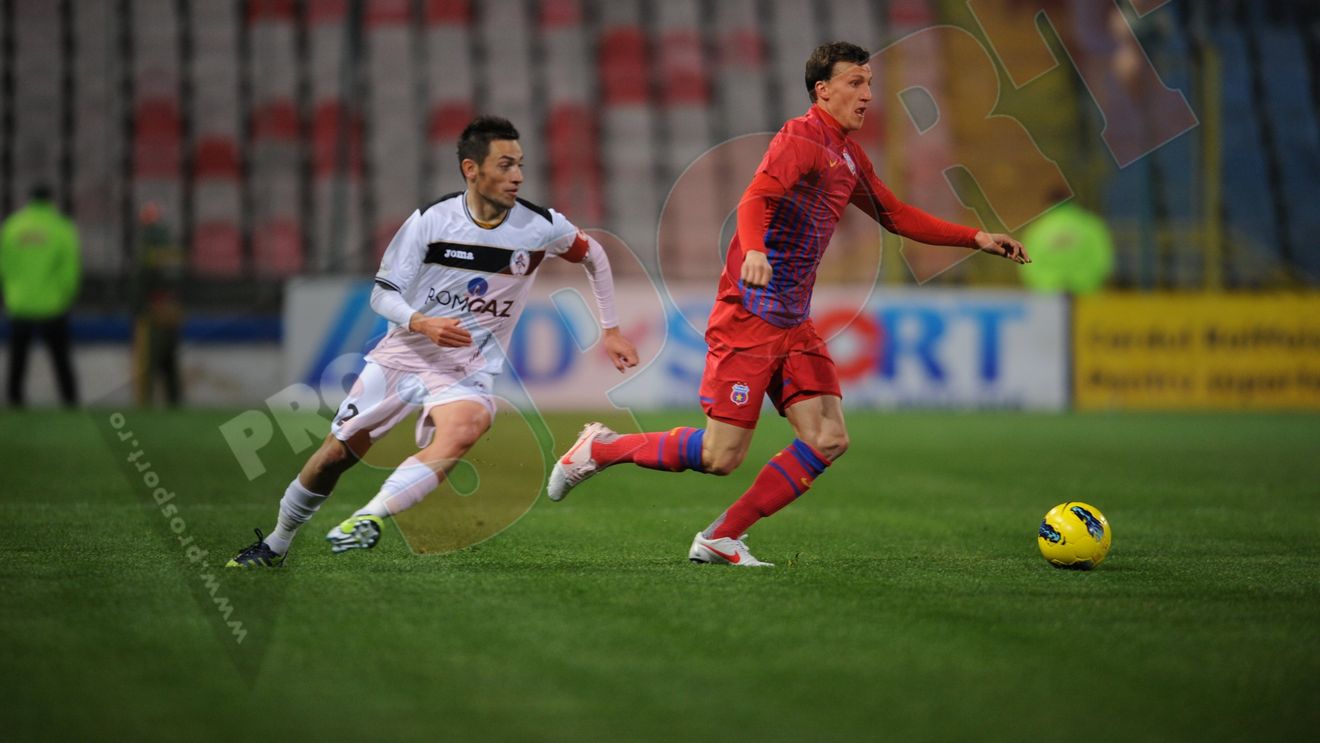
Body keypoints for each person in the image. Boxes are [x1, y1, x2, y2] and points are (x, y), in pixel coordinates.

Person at [547, 42, 1029, 567]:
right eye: (855, 84)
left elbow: (895, 214)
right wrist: (753, 248)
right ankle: (601, 449)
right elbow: (755, 197)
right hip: (751, 315)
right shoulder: (801, 138)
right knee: (719, 456)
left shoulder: (847, 154)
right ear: (823, 90)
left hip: (794, 321)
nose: (867, 95)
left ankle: (720, 536)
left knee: (827, 438)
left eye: (869, 83)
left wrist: (975, 237)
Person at [228, 116, 639, 567]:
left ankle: (369, 516)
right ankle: (276, 544)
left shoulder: (539, 226)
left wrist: (611, 328)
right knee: (334, 456)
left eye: (520, 165)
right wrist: (422, 323)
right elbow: (382, 295)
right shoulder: (431, 222)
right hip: (404, 355)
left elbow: (593, 255)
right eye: (505, 165)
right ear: (471, 169)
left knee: (463, 430)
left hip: (469, 367)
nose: (517, 176)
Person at [1, 183, 81, 408]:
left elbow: (4, 265)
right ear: (50, 199)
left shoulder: (12, 226)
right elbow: (70, 270)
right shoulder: (61, 227)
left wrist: (10, 292)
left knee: (17, 359)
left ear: (29, 199)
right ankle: (69, 402)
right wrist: (66, 295)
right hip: (53, 305)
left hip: (20, 304)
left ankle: (15, 401)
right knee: (61, 359)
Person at [131, 202, 186, 406]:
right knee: (170, 362)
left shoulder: (148, 247)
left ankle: (145, 402)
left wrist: (138, 308)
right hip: (172, 311)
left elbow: (141, 281)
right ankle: (175, 402)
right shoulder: (172, 246)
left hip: (152, 312)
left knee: (148, 361)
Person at [1019, 190, 1114, 295]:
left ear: (1048, 203)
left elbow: (1026, 264)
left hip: (1047, 298)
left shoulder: (1037, 229)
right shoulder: (1092, 226)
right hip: (1086, 296)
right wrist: (1084, 283)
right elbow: (1103, 261)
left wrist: (1047, 285)